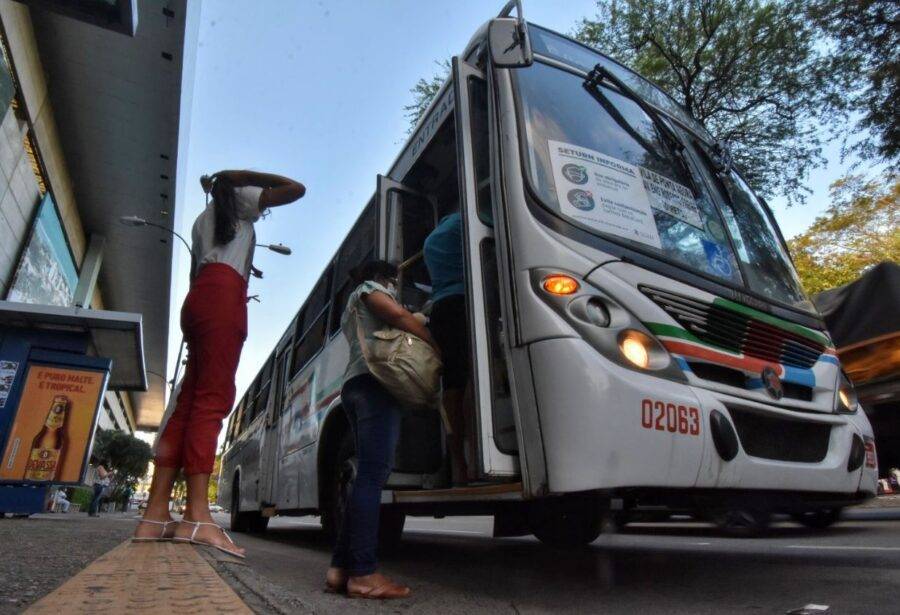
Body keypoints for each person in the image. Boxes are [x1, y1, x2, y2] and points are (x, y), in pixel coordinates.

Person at [133, 170, 305, 555]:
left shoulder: (202, 220)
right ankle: (197, 517)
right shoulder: (240, 198)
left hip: (198, 298)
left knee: (188, 404)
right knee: (212, 402)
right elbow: (296, 189)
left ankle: (155, 514)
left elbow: (207, 263)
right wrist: (240, 174)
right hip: (224, 297)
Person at [326, 260, 437, 599]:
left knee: (364, 478)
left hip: (356, 386)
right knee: (372, 478)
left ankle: (339, 570)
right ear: (382, 277)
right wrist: (434, 342)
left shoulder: (352, 305)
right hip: (375, 387)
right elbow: (400, 318)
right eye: (393, 279)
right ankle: (363, 574)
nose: (394, 285)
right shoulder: (369, 291)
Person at [423, 206, 471, 484]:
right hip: (464, 303)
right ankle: (478, 457)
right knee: (475, 381)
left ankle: (459, 463)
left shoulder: (432, 239)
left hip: (441, 309)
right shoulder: (464, 221)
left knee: (452, 387)